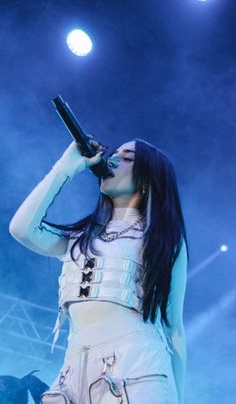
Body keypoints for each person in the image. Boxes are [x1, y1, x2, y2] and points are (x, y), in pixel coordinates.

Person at [9, 137, 188, 404]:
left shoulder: (160, 239)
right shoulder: (79, 238)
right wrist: (65, 168)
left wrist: (180, 398)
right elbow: (21, 229)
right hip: (73, 372)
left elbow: (173, 327)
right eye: (114, 153)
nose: (112, 159)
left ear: (147, 181)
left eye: (127, 158)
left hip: (137, 368)